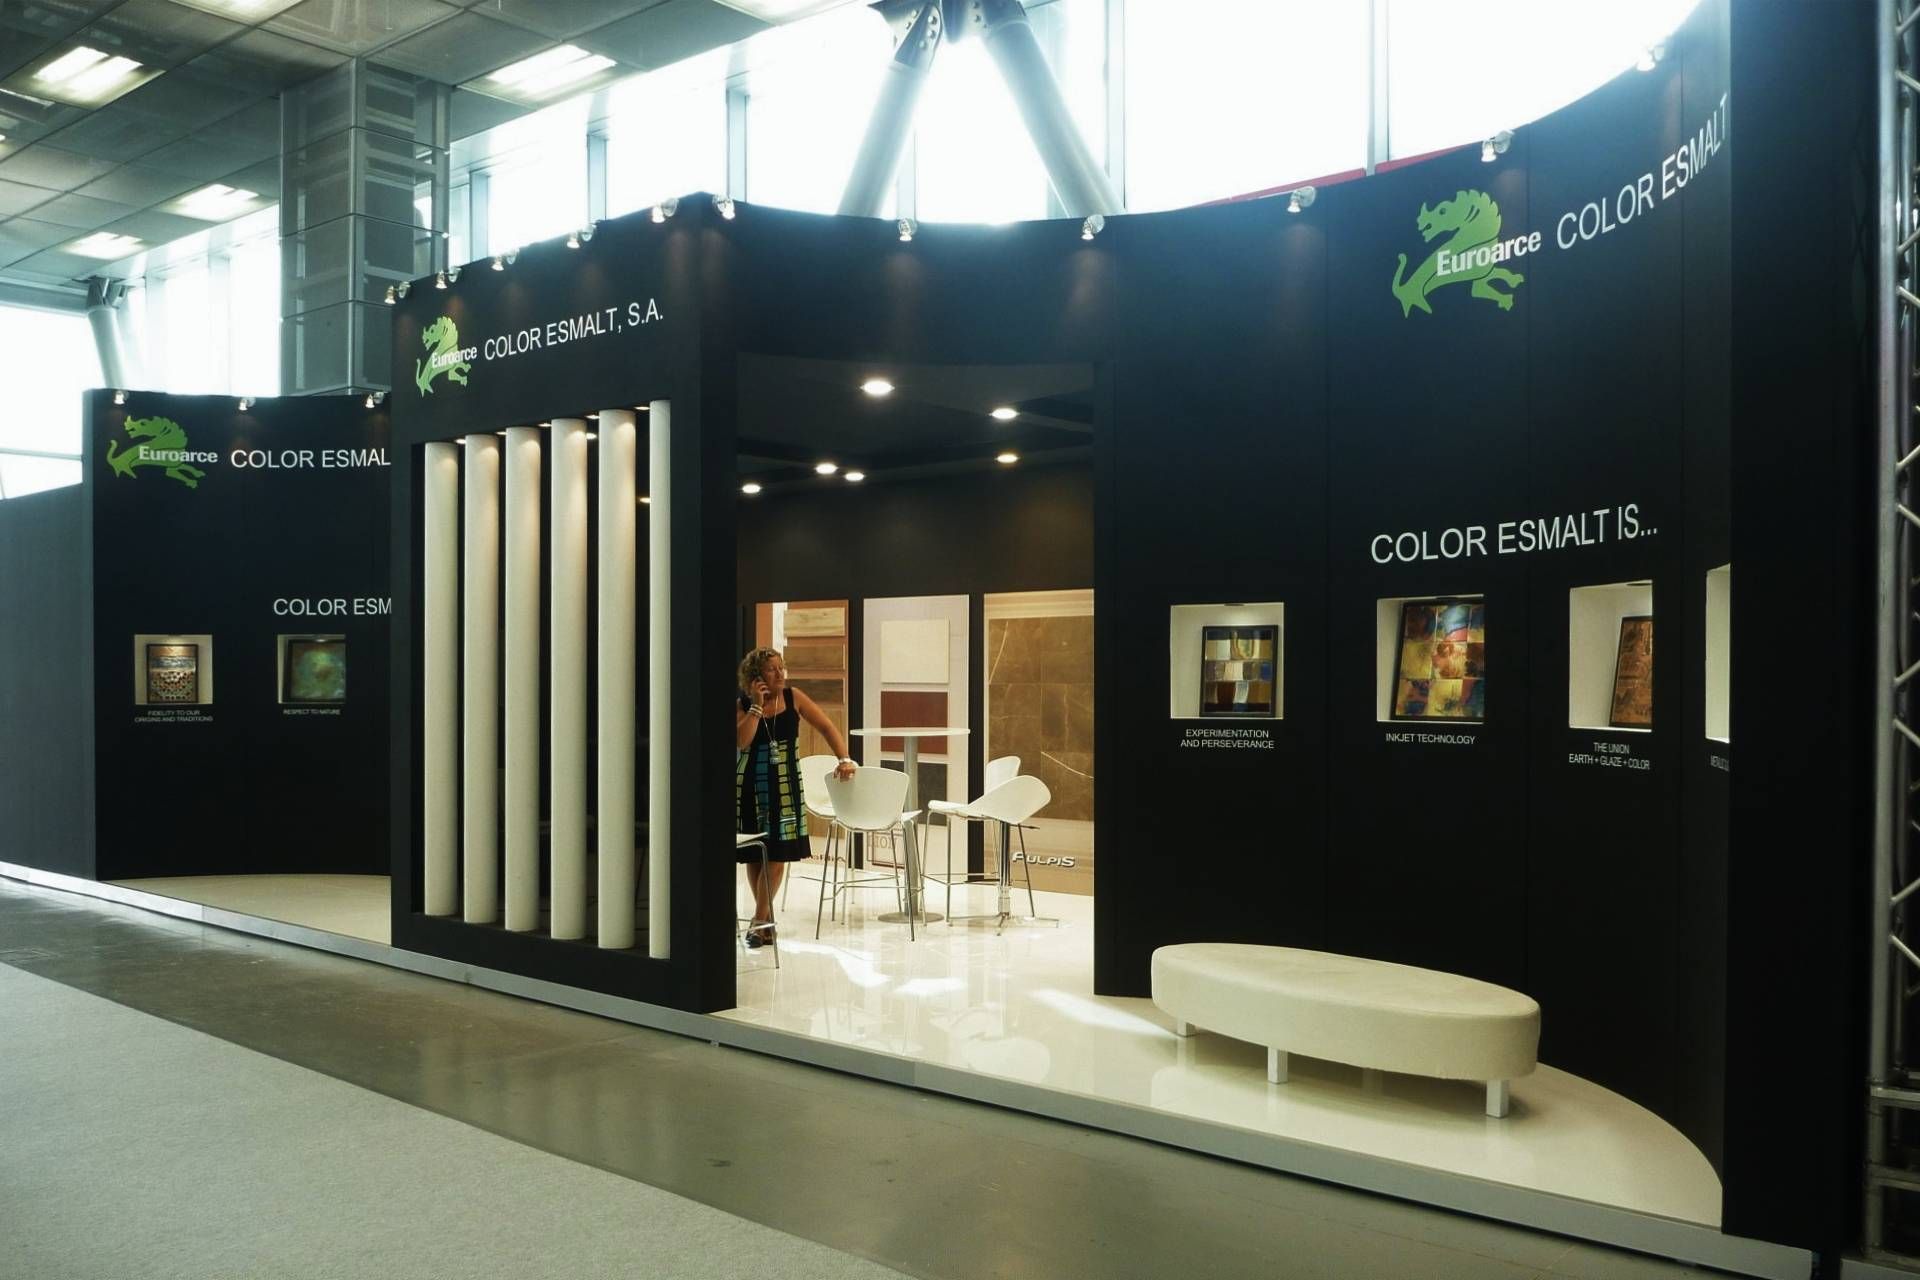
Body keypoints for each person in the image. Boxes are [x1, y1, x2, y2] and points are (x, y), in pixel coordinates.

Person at [735, 647, 855, 945]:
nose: (780, 674)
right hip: (750, 786)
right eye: (771, 669)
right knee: (755, 854)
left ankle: (759, 921)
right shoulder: (743, 705)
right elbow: (742, 742)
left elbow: (826, 726)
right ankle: (765, 923)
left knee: (779, 852)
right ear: (756, 676)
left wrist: (844, 758)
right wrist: (756, 707)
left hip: (785, 785)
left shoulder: (794, 697)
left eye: (781, 667)